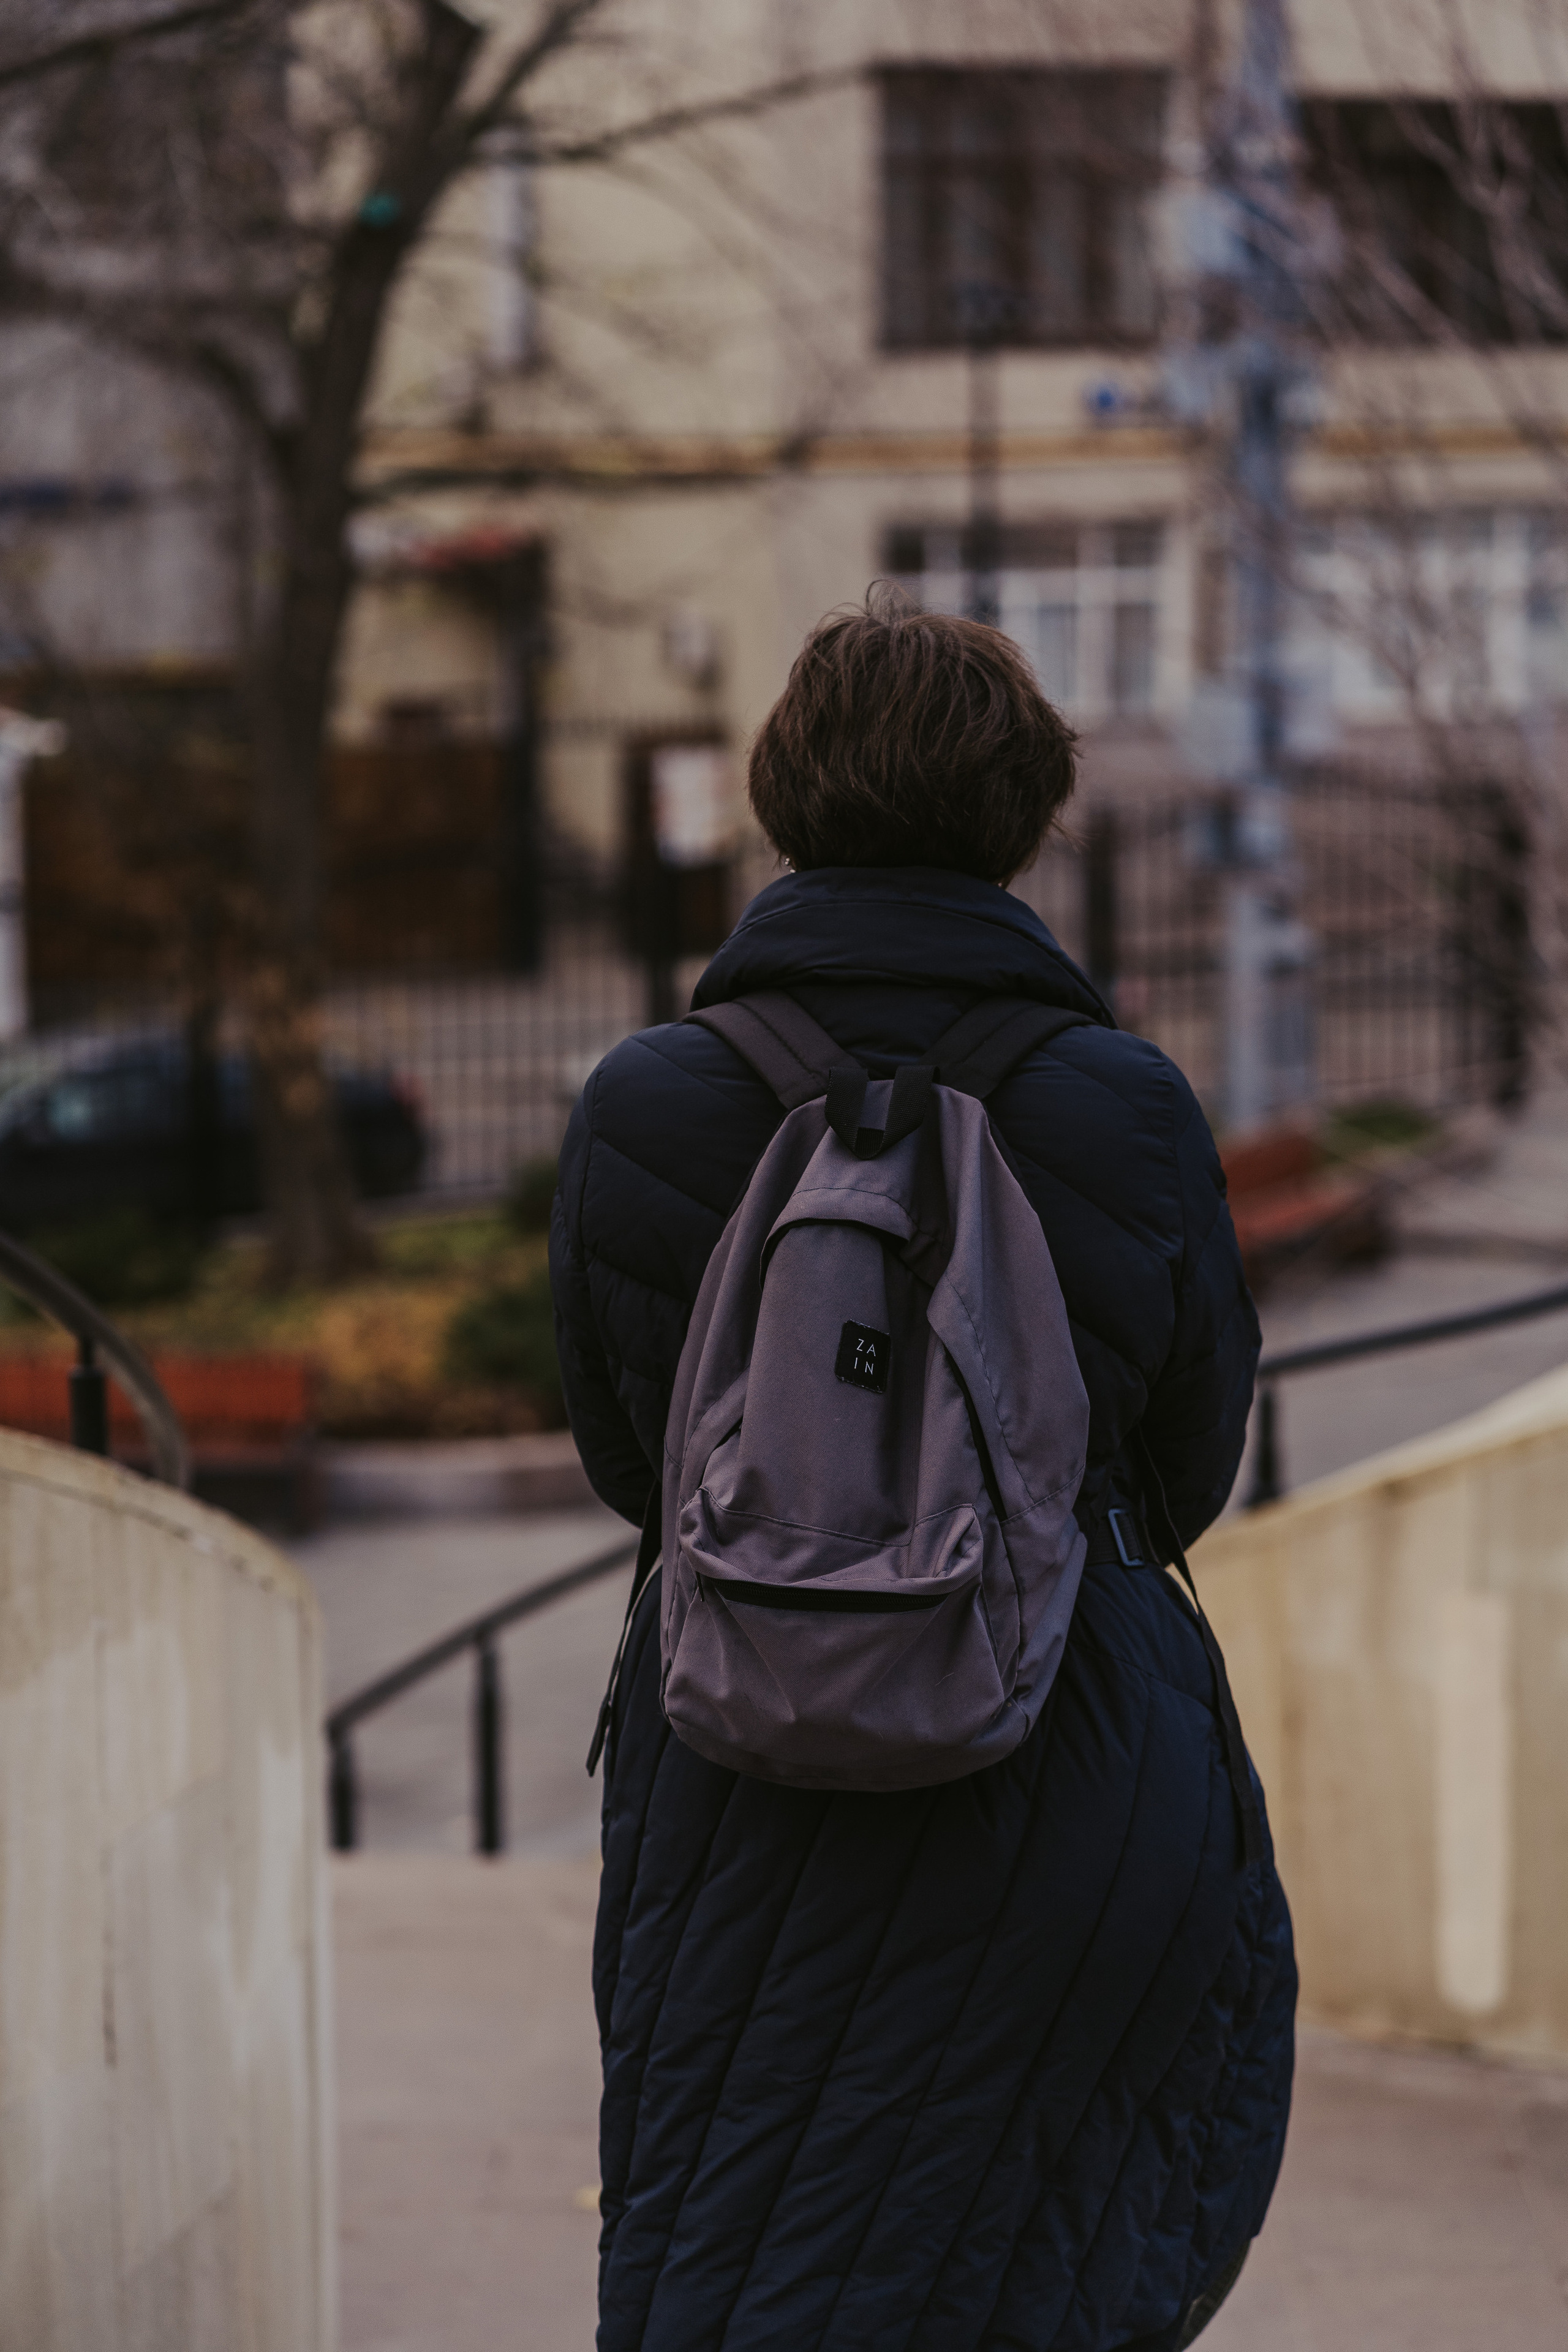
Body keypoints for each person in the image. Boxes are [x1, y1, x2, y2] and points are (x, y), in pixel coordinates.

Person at [550, 590, 1296, 2352]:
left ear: (785, 797)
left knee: (747, 2253)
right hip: (1067, 1758)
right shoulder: (1124, 1105)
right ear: (1023, 812)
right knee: (1057, 2259)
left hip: (735, 1771)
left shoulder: (646, 1101)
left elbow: (625, 1456)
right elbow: (1190, 1462)